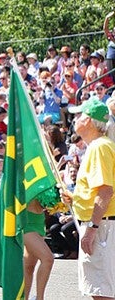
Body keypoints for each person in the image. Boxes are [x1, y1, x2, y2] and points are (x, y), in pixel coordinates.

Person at [63, 98, 115, 300]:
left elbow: (105, 191)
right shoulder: (101, 145)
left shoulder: (99, 147)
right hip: (102, 224)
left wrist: (92, 229)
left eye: (79, 115)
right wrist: (75, 198)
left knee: (101, 292)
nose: (75, 119)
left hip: (101, 226)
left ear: (90, 122)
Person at [22, 199, 53, 300]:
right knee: (48, 259)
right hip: (25, 221)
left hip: (39, 221)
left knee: (29, 266)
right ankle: (40, 298)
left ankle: (23, 298)